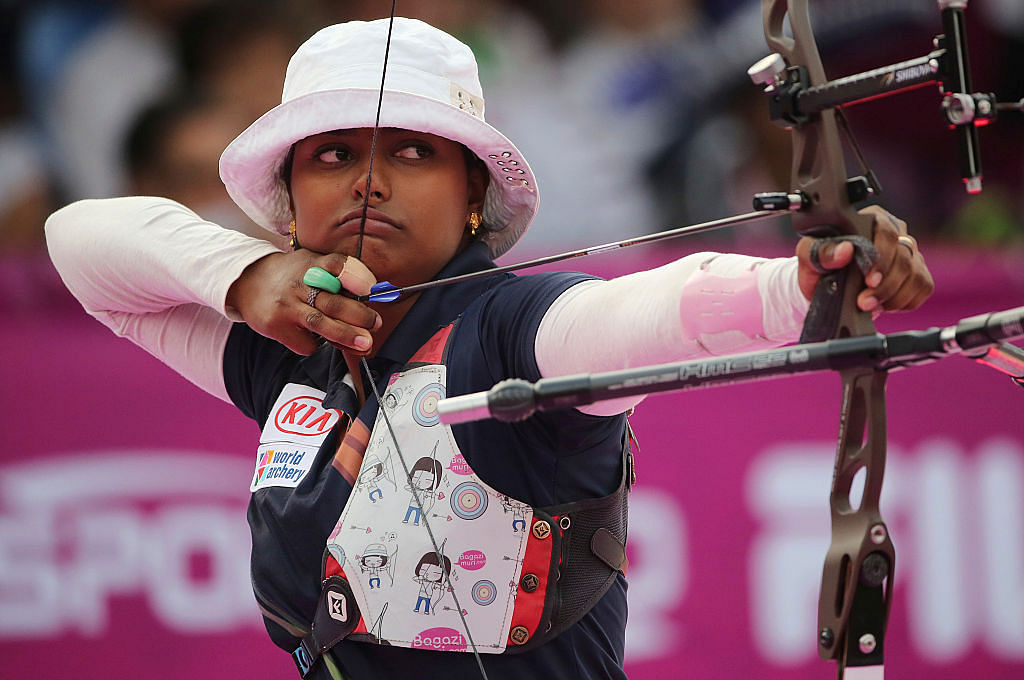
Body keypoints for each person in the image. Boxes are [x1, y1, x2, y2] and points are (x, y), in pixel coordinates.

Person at [45, 17, 934, 680]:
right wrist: (243, 278)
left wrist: (802, 285)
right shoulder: (289, 350)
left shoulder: (515, 332)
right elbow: (81, 243)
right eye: (331, 155)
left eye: (413, 150)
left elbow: (656, 309)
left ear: (471, 191)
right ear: (288, 198)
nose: (368, 179)